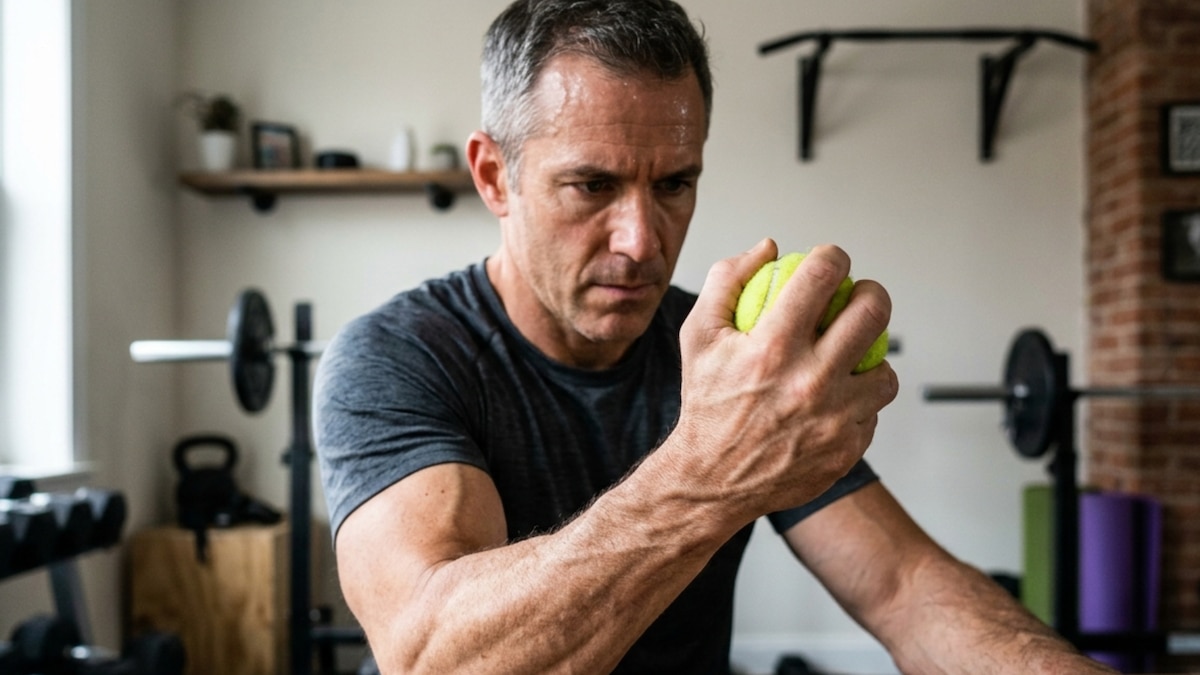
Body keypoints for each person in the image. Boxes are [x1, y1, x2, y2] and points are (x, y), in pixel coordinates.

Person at [314, 1, 1116, 672]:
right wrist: (710, 470)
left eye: (674, 184)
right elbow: (434, 656)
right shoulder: (397, 356)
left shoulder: (727, 350)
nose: (641, 238)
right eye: (592, 185)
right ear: (496, 176)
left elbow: (903, 584)